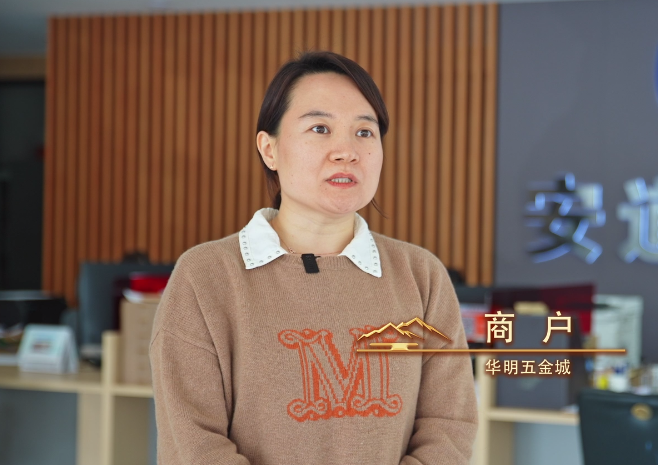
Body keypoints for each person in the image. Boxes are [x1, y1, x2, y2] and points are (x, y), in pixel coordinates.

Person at [149, 51, 477, 465]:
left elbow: (449, 425)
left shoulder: (420, 275)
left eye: (364, 132)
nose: (346, 152)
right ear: (269, 149)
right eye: (320, 128)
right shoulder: (207, 276)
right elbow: (194, 445)